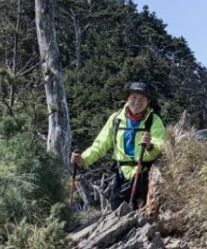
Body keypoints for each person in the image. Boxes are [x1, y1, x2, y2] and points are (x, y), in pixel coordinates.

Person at [71, 81, 166, 210]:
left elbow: (160, 144)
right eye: (134, 97)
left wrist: (150, 146)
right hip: (122, 175)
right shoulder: (115, 119)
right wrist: (83, 159)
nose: (137, 101)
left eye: (142, 98)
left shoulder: (154, 120)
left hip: (145, 174)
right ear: (127, 98)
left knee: (147, 214)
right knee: (117, 211)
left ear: (148, 101)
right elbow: (100, 144)